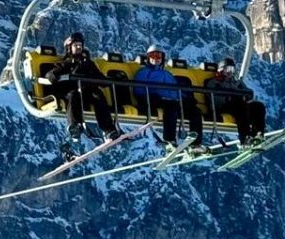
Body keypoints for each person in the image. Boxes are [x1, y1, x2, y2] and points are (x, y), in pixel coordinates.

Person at [45, 31, 120, 159]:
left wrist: (110, 80)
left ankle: (109, 130)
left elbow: (99, 78)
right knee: (74, 96)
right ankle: (74, 126)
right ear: (69, 47)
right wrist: (54, 76)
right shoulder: (66, 63)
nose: (79, 48)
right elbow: (51, 74)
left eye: (80, 45)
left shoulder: (88, 63)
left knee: (98, 95)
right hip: (71, 92)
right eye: (76, 45)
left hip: (87, 92)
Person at [135, 44, 203, 153]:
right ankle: (169, 140)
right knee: (171, 108)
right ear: (148, 58)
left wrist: (185, 99)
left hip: (172, 101)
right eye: (153, 56)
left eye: (158, 56)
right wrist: (148, 97)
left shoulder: (167, 74)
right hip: (154, 100)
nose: (156, 59)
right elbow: (138, 90)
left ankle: (195, 144)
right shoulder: (143, 73)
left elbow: (176, 90)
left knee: (195, 112)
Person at [205, 57, 266, 147]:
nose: (230, 72)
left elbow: (248, 92)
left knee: (258, 106)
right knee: (240, 107)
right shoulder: (214, 82)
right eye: (228, 69)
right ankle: (245, 139)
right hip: (221, 106)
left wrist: (244, 96)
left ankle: (258, 133)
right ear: (221, 70)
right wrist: (229, 98)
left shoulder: (236, 82)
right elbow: (213, 97)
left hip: (237, 104)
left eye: (232, 69)